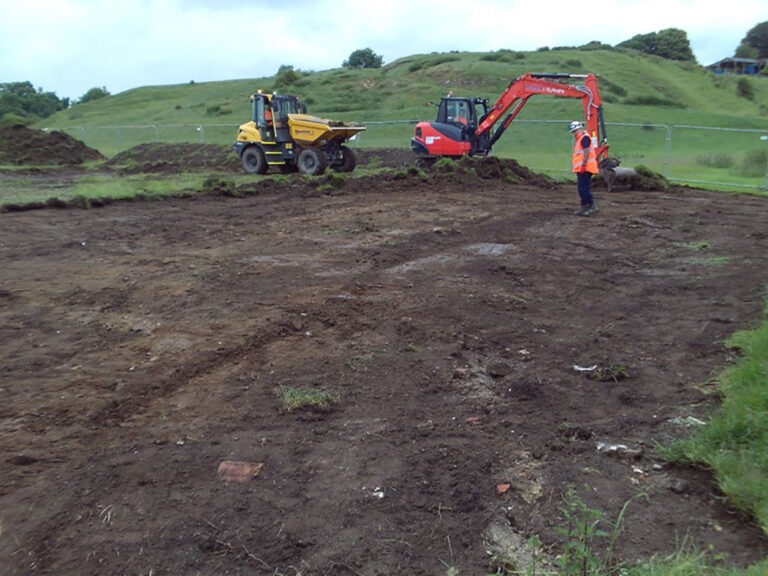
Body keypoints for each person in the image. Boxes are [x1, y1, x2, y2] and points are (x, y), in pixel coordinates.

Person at [569, 121, 599, 216]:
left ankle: (591, 205)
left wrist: (583, 164)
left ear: (580, 129)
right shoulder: (581, 138)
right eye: (573, 132)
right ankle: (585, 206)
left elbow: (586, 151)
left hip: (586, 168)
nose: (574, 133)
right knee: (581, 188)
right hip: (583, 168)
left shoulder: (584, 138)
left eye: (575, 131)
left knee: (583, 188)